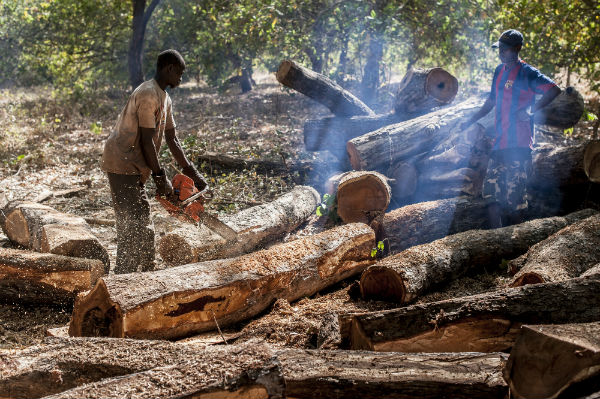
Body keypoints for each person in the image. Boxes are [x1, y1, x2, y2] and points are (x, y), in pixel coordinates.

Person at [101, 49, 207, 274]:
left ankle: (147, 272)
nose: (181, 78)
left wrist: (193, 173)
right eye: (179, 73)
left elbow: (172, 138)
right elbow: (148, 141)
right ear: (169, 69)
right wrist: (160, 177)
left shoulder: (164, 97)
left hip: (135, 165)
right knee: (132, 224)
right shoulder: (148, 94)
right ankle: (123, 278)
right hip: (122, 162)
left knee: (143, 223)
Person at [461, 29, 560, 228]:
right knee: (491, 197)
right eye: (499, 49)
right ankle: (494, 242)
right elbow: (491, 100)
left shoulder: (528, 73)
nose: (501, 53)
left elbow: (553, 89)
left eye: (505, 50)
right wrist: (470, 120)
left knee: (515, 203)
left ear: (517, 49)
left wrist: (531, 111)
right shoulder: (499, 71)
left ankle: (517, 246)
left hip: (519, 146)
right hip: (500, 143)